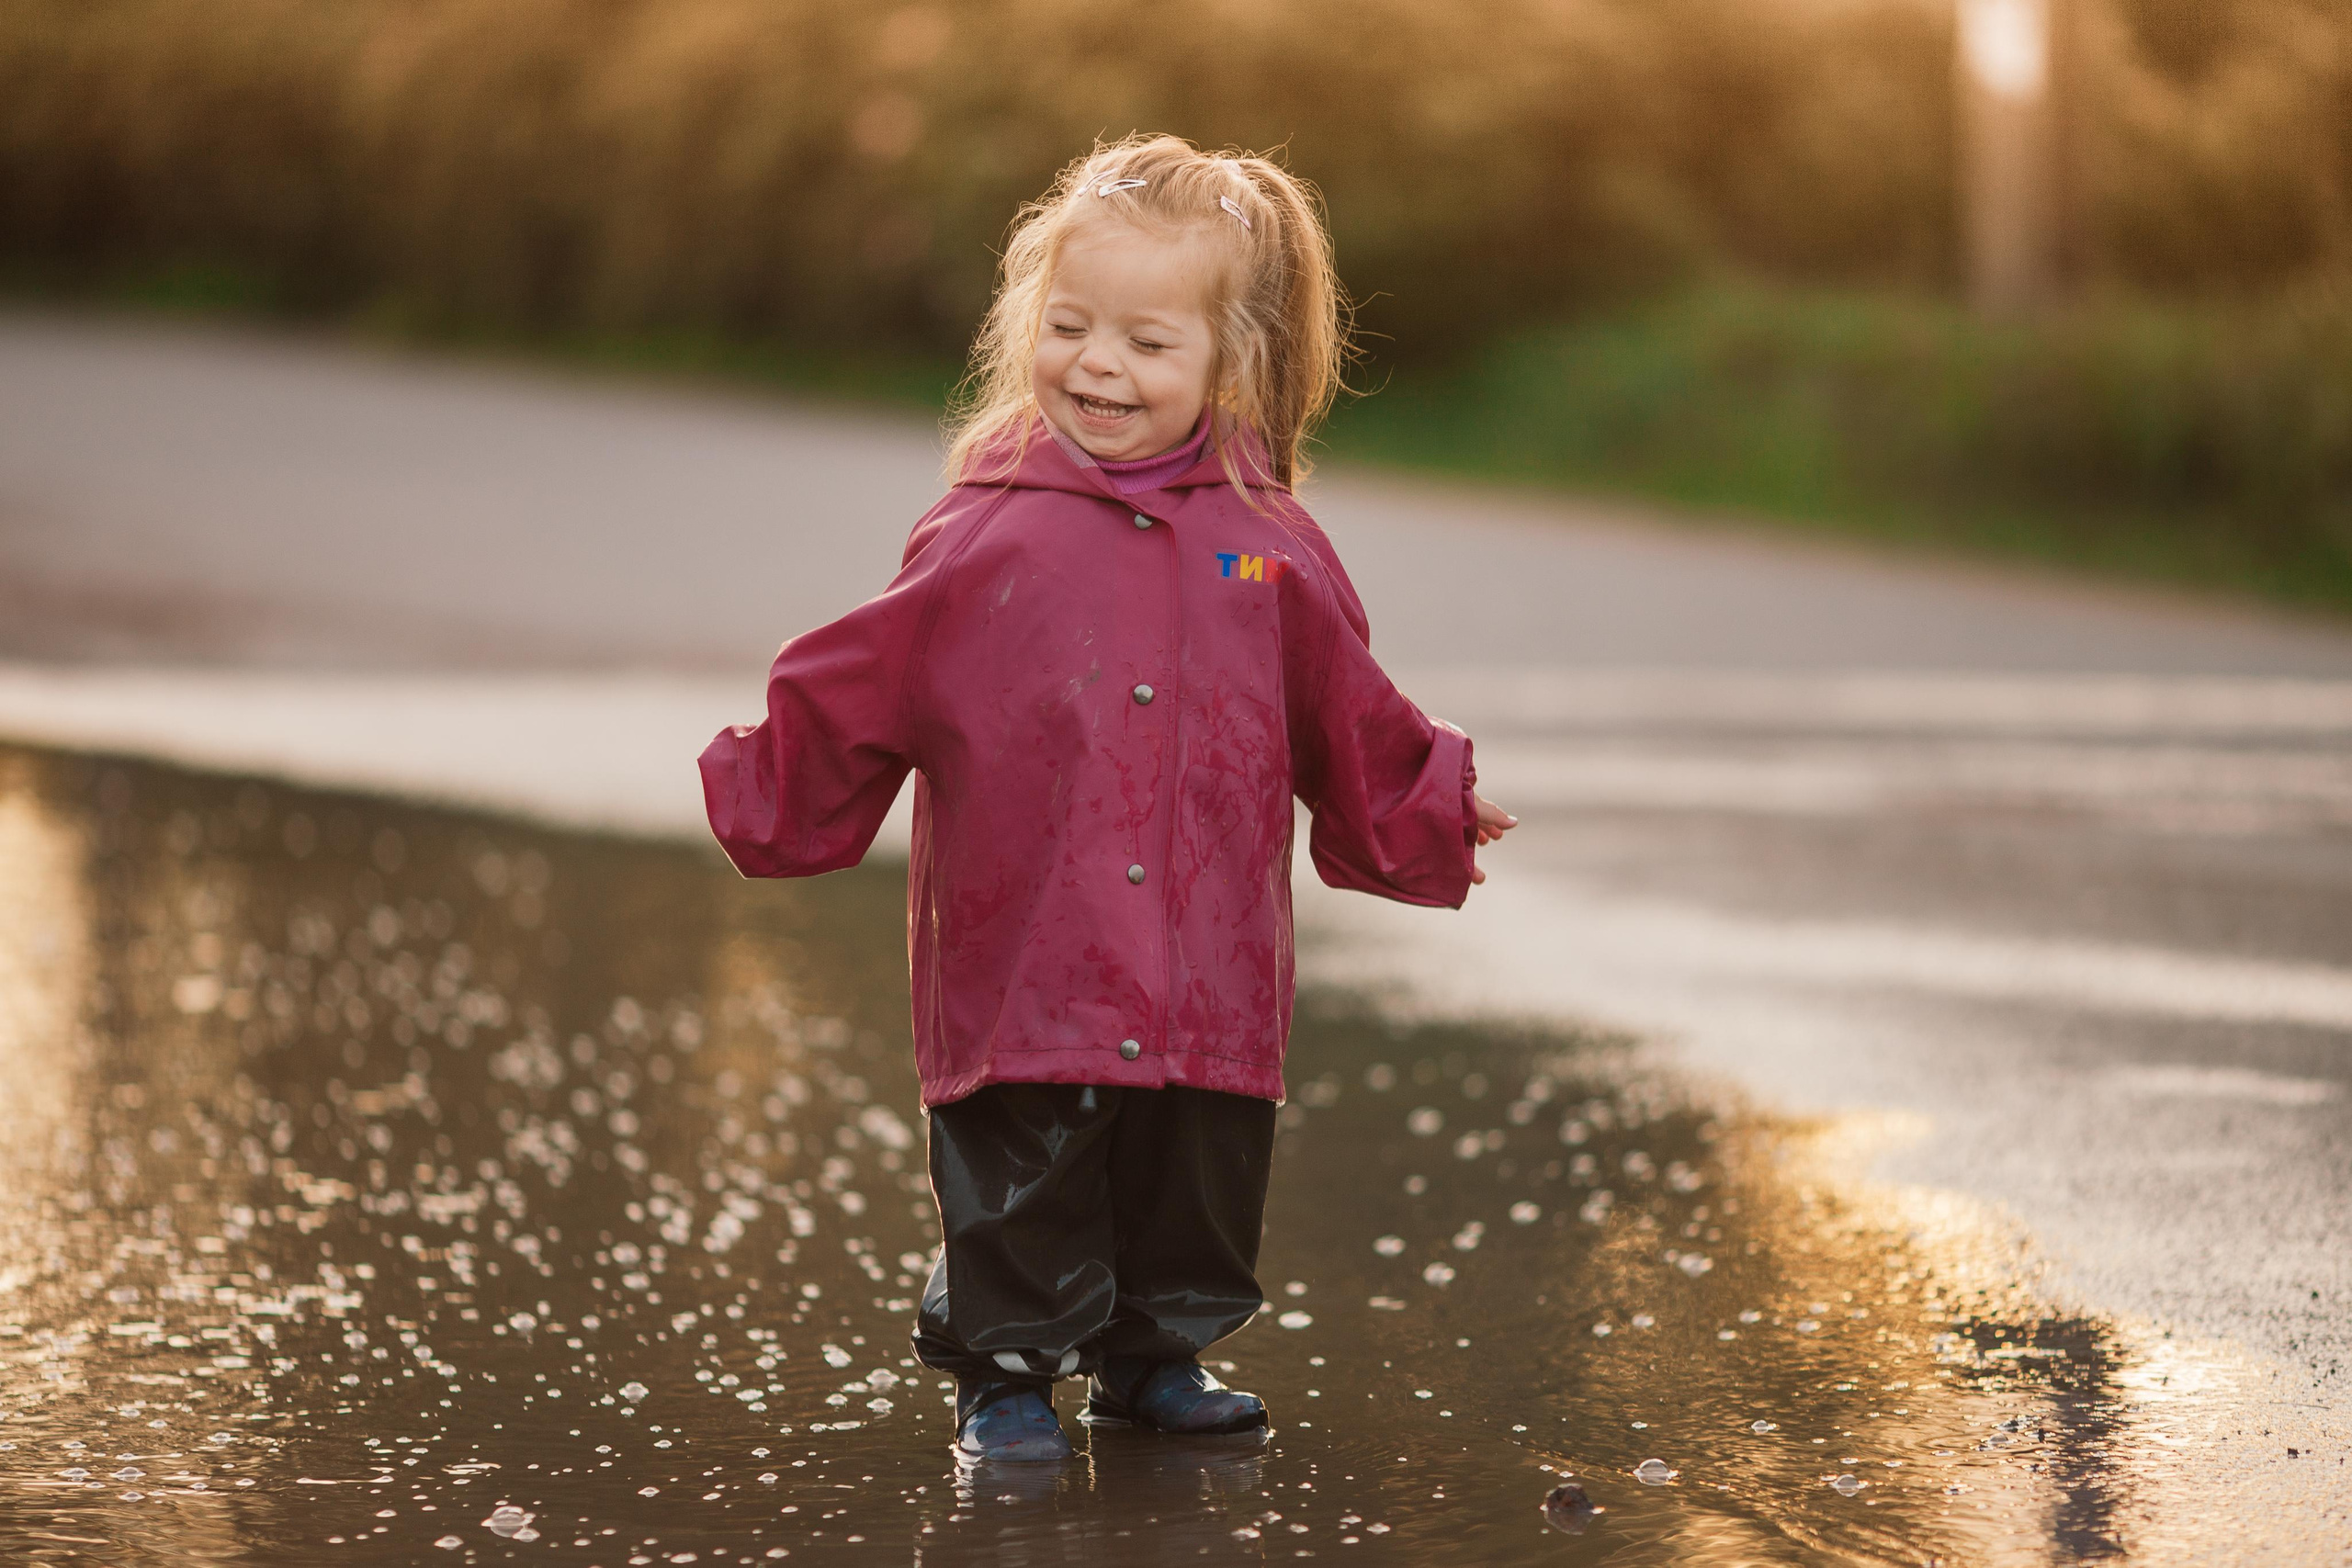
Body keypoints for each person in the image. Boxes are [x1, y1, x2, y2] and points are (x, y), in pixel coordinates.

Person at [699, 133, 1515, 1463]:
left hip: (1207, 951)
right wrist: (766, 781)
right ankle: (1005, 1376)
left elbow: (1349, 709)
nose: (1099, 366)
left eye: (1147, 343)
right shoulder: (987, 531)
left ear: (1227, 364)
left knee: (1190, 1164)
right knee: (1026, 1164)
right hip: (1032, 942)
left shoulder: (1271, 550)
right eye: (1070, 328)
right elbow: (867, 676)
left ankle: (1155, 1356)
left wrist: (1429, 796)